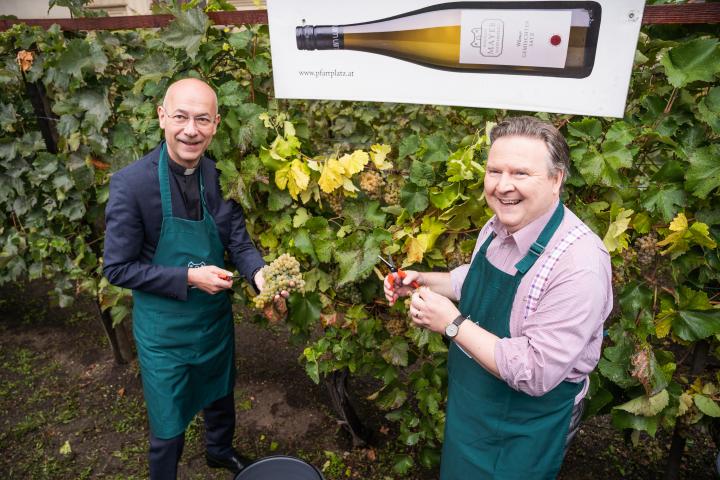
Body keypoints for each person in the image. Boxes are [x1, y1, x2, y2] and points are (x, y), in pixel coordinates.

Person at [384, 116, 613, 479]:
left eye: (521, 173)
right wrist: (423, 281)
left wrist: (453, 325)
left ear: (556, 180)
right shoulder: (498, 226)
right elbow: (472, 279)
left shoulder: (578, 264)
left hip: (526, 427)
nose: (503, 185)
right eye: (494, 171)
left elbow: (536, 372)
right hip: (473, 406)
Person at [104, 78, 273, 479]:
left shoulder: (220, 177)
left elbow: (240, 244)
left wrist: (261, 274)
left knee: (220, 394)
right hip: (165, 333)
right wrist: (188, 277)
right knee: (167, 422)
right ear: (162, 117)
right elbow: (117, 268)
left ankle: (219, 451)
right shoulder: (132, 184)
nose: (190, 129)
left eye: (202, 119)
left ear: (215, 123)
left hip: (212, 322)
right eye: (180, 117)